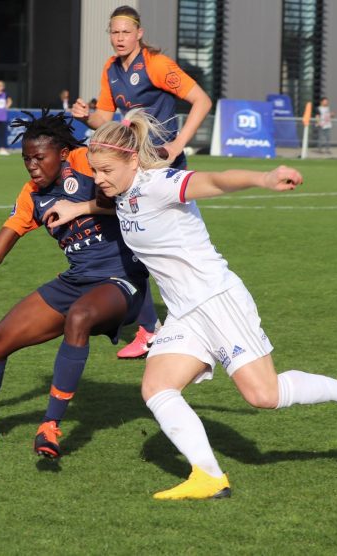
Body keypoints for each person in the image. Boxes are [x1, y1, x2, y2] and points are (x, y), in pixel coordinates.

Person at [43, 108, 337, 500]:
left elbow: (214, 180)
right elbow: (119, 207)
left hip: (217, 300)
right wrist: (79, 207)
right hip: (185, 312)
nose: (99, 179)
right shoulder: (124, 192)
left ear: (132, 159)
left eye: (106, 170)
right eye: (95, 171)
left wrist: (262, 178)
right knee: (157, 387)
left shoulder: (160, 183)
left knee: (265, 396)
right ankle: (208, 476)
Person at [0, 110, 149, 459]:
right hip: (77, 280)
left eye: (40, 157)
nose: (32, 166)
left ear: (62, 153)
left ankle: (50, 426)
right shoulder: (32, 195)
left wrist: (82, 205)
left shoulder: (86, 161)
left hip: (121, 278)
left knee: (79, 317)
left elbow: (136, 196)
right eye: (26, 159)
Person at [71, 5, 213, 359]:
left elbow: (201, 100)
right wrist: (86, 116)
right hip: (133, 169)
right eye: (114, 32)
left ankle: (181, 322)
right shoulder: (110, 69)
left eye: (125, 32)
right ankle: (153, 328)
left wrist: (178, 144)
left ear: (139, 34)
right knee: (135, 243)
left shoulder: (157, 65)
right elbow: (105, 117)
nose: (119, 38)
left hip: (163, 169)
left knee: (170, 247)